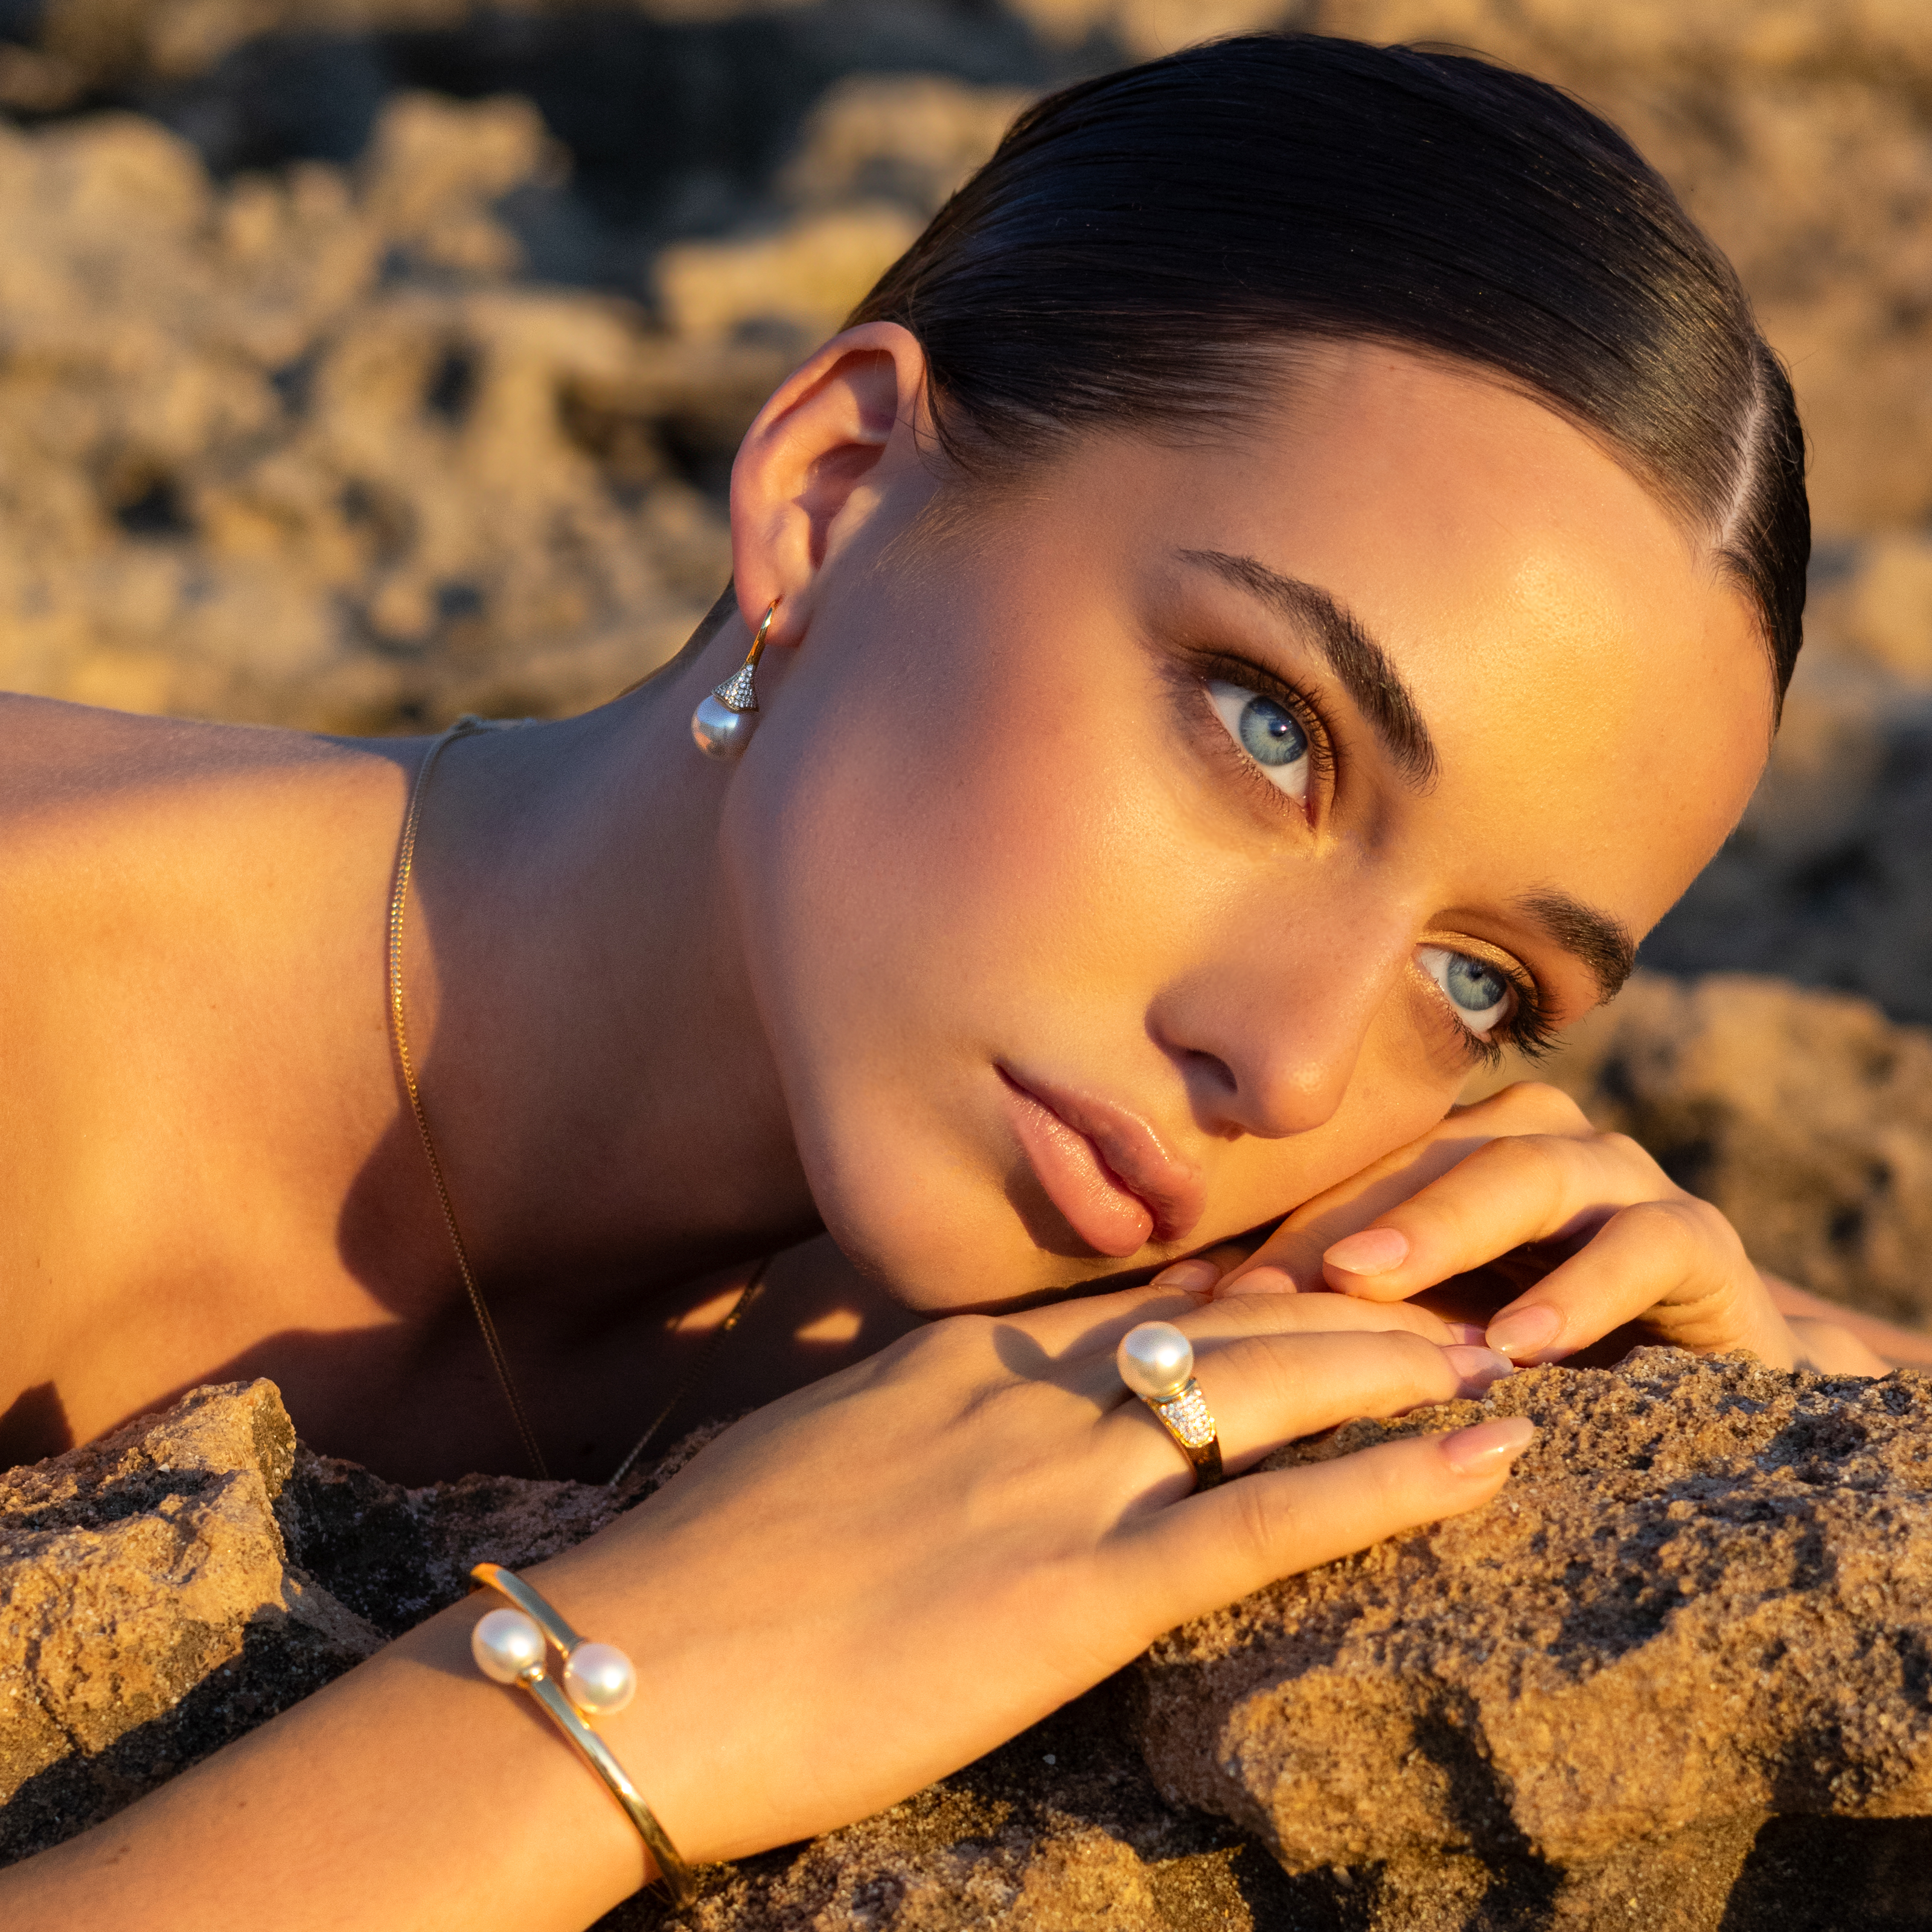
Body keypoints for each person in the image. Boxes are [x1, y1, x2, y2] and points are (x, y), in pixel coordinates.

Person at [0, 30, 1919, 1928]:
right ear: (833, 493)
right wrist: (625, 1696)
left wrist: (1758, 1406)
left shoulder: (1140, 1280)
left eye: (1478, 986)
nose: (1292, 1066)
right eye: (1268, 729)